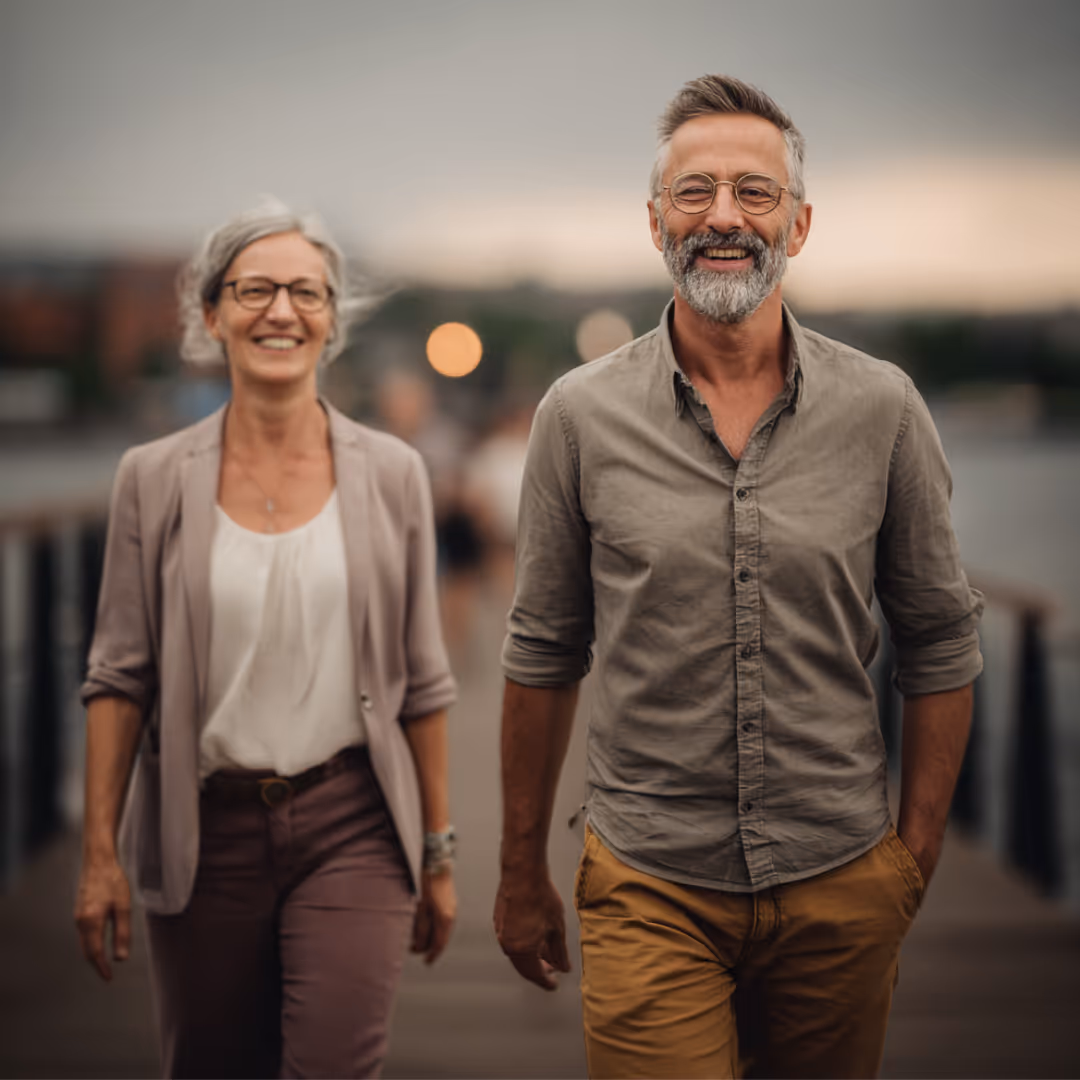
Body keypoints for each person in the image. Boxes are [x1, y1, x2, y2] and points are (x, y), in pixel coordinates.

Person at [495, 75, 983, 1079]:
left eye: (755, 194)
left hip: (841, 878)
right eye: (696, 192)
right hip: (649, 883)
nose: (724, 216)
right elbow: (543, 649)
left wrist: (913, 858)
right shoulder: (577, 418)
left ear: (798, 225)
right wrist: (517, 870)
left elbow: (940, 640)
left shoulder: (884, 410)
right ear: (655, 221)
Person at [75, 199, 458, 1079]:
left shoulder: (395, 475)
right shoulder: (152, 479)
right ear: (211, 315)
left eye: (304, 292)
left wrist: (438, 855)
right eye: (254, 290)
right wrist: (98, 854)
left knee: (334, 1064)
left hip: (353, 821)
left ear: (332, 320)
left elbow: (426, 687)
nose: (280, 311)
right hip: (201, 829)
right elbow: (119, 677)